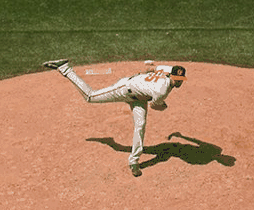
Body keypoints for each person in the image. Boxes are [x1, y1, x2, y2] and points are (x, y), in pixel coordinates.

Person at [42, 58, 188, 177]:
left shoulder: (168, 69)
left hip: (139, 97)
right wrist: (164, 105)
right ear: (171, 76)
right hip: (125, 89)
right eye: (177, 79)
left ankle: (134, 162)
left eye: (181, 79)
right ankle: (65, 68)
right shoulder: (162, 91)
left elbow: (151, 67)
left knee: (140, 125)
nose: (179, 82)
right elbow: (156, 106)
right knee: (90, 97)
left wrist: (148, 73)